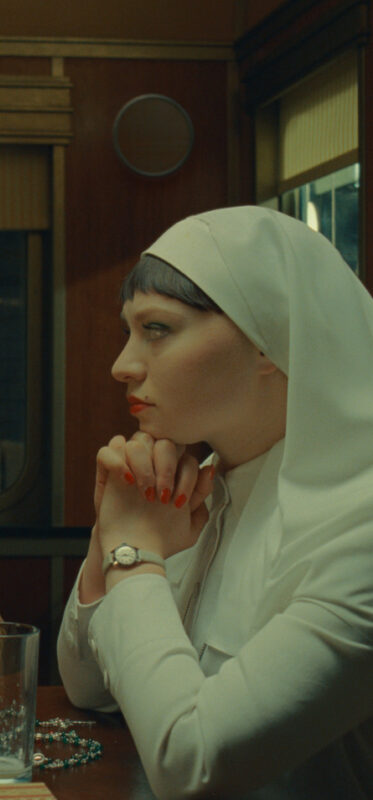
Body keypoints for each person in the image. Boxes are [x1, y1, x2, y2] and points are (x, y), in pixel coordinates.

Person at [57, 206, 373, 799]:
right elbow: (88, 686)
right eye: (129, 332)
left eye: (157, 329)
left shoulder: (359, 526)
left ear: (270, 337)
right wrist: (111, 539)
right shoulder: (191, 489)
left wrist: (134, 553)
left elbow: (191, 763)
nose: (122, 366)